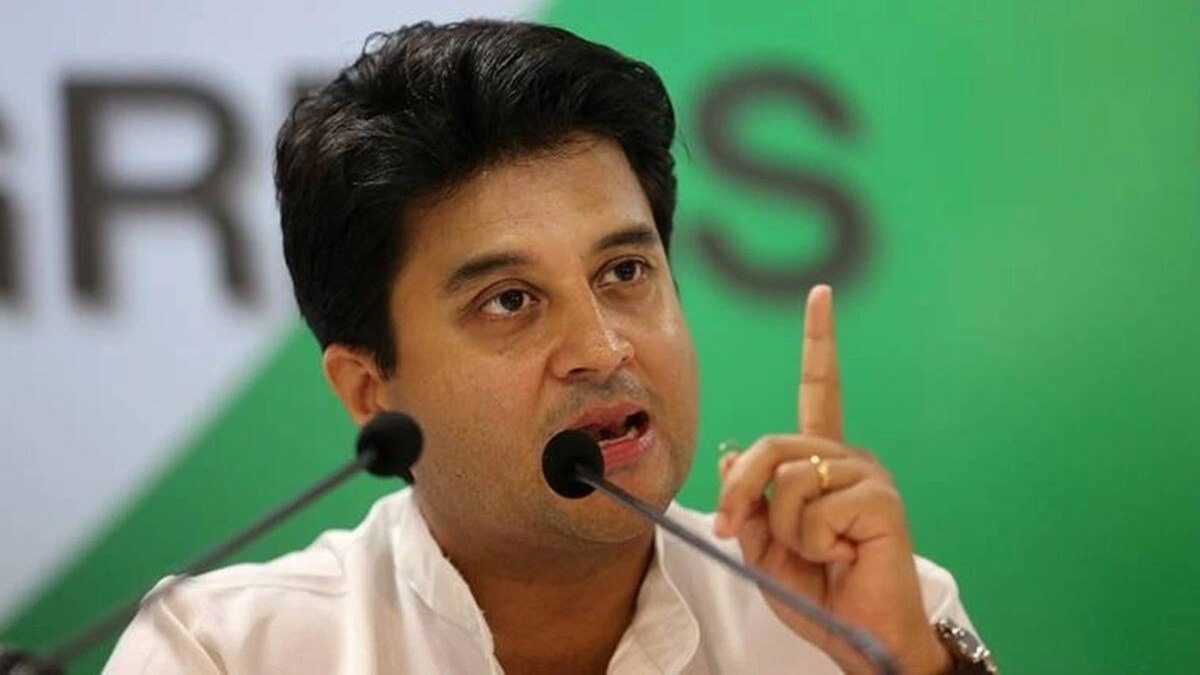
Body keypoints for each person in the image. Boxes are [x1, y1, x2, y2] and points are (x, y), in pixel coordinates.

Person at [105, 20, 994, 674]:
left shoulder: (860, 617)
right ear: (370, 389)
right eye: (510, 301)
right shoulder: (222, 652)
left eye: (624, 272)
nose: (601, 349)